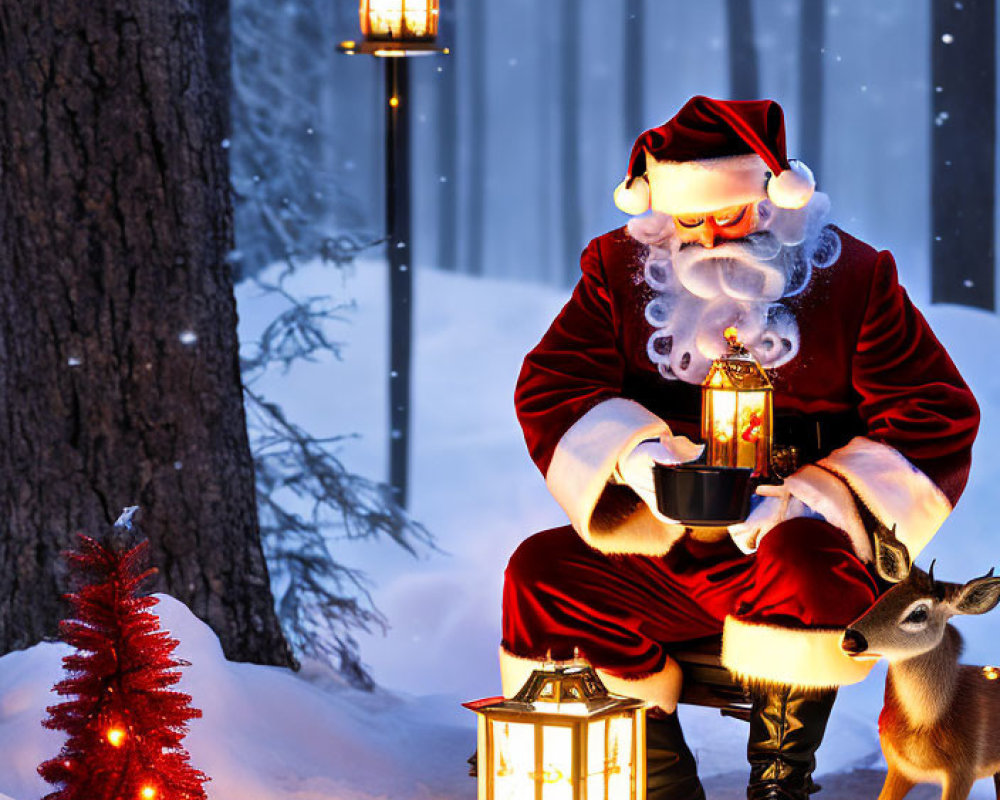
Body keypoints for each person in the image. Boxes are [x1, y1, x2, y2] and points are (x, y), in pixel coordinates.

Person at [500, 96, 979, 800]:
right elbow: (555, 384)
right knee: (542, 573)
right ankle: (660, 781)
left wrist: (816, 500)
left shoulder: (854, 278)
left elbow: (933, 412)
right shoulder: (618, 270)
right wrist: (635, 458)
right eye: (691, 219)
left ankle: (779, 783)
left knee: (806, 566)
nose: (712, 235)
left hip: (807, 547)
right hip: (669, 544)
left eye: (731, 212)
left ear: (775, 196)